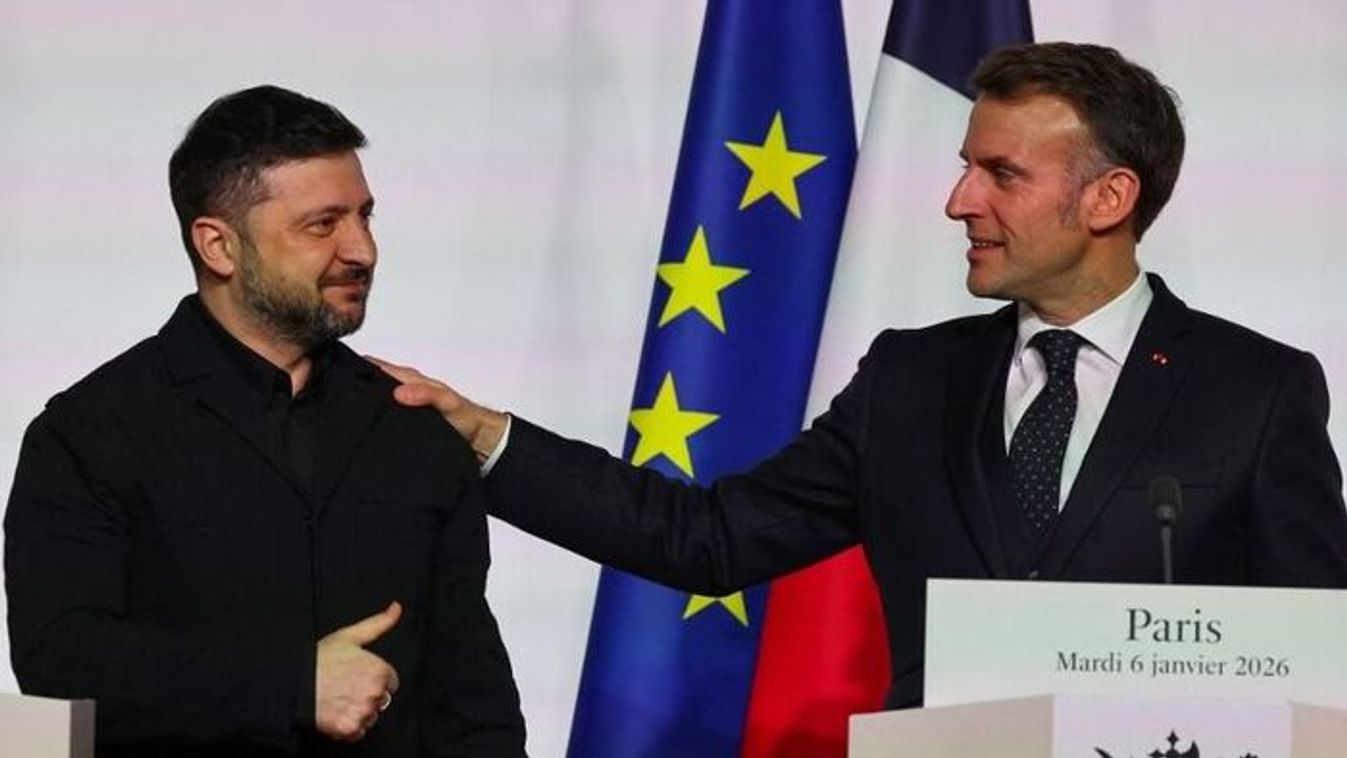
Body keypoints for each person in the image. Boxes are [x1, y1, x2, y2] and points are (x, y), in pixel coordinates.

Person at [376, 42, 1347, 709]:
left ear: (1108, 198)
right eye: (966, 166)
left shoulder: (1255, 392)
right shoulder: (911, 380)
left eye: (1001, 174)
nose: (958, 200)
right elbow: (707, 539)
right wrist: (490, 440)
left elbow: (1319, 656)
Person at [4, 86, 525, 756]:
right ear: (218, 246)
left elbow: (473, 703)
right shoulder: (90, 432)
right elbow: (59, 660)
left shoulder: (413, 428)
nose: (362, 250)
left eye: (365, 216)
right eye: (323, 224)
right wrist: (290, 686)